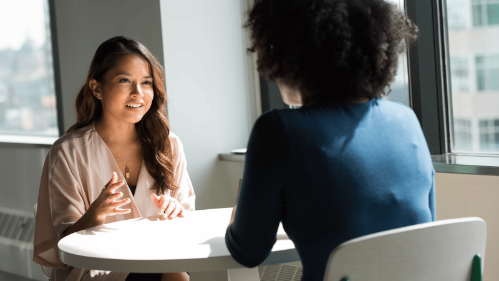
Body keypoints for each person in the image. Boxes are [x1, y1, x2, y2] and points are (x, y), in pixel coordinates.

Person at [225, 0, 434, 280]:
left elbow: (248, 252)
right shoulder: (406, 120)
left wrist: (238, 217)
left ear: (289, 53)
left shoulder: (278, 130)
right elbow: (424, 227)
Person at [33, 36, 194, 281]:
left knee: (177, 273)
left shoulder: (169, 144)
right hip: (97, 270)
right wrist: (94, 215)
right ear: (97, 88)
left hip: (158, 261)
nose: (137, 93)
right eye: (124, 80)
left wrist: (176, 211)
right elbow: (64, 246)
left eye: (146, 83)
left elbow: (187, 225)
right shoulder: (67, 152)